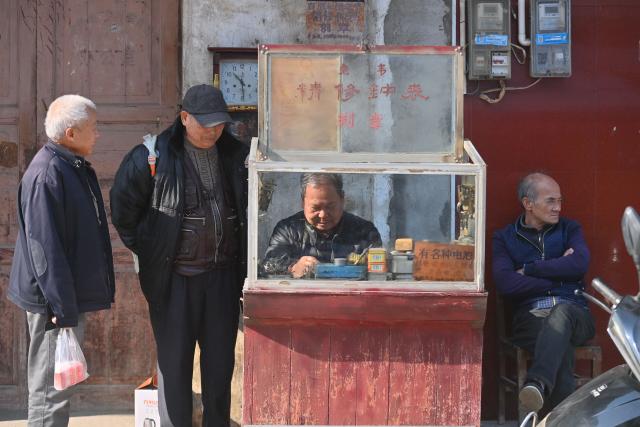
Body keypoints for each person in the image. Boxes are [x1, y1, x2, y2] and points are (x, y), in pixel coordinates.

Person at [110, 84, 248, 427]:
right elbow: (124, 212)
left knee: (219, 370)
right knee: (174, 371)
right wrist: (154, 251)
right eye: (205, 124)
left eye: (219, 125)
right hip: (174, 283)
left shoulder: (235, 154)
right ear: (185, 118)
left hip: (222, 281)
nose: (213, 131)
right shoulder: (151, 156)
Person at [8, 95, 114, 426]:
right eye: (93, 128)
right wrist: (62, 308)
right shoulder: (47, 174)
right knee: (49, 393)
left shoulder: (71, 166)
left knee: (59, 387)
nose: (97, 135)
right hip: (52, 305)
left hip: (63, 299)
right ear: (71, 133)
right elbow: (45, 252)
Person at [492, 172, 595, 413]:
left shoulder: (570, 228)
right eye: (550, 201)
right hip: (531, 317)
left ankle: (536, 382)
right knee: (559, 344)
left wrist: (530, 270)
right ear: (528, 204)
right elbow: (506, 283)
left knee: (561, 315)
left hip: (576, 313)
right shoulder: (505, 238)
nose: (558, 207)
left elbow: (579, 264)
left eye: (560, 201)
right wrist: (560, 274)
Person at [262, 173, 382, 278]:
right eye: (316, 208)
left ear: (342, 200)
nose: (323, 215)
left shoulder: (364, 231)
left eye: (330, 207)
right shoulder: (287, 229)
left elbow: (378, 269)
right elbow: (269, 265)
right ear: (303, 202)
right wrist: (292, 267)